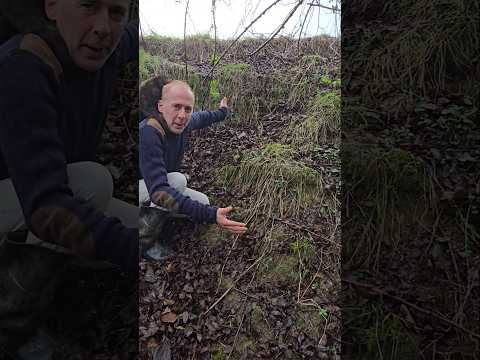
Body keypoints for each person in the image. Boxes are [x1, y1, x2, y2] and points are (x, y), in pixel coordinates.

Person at [0, 0, 138, 355]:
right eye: (89, 6)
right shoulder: (24, 68)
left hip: (31, 196)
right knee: (93, 185)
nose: (103, 26)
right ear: (52, 7)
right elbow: (48, 208)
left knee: (143, 227)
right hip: (36, 200)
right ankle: (11, 329)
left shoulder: (103, 46)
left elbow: (140, 36)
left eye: (116, 12)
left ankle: (46, 277)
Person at [139, 80, 248, 236]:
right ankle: (144, 236)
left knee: (203, 201)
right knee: (178, 180)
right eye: (176, 107)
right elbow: (159, 191)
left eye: (188, 109)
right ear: (160, 106)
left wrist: (223, 111)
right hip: (143, 188)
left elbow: (204, 117)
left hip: (158, 187)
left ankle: (156, 217)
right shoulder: (149, 132)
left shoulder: (183, 123)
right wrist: (211, 215)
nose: (182, 115)